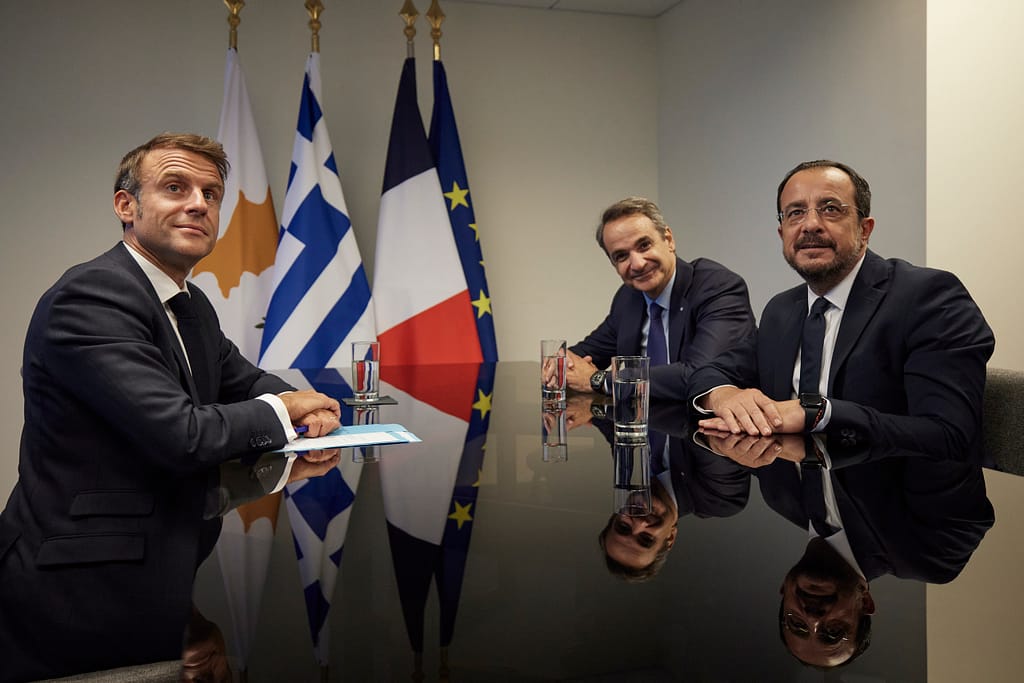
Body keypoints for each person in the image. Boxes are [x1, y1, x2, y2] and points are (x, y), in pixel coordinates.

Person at [0, 133, 341, 682]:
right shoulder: (93, 295)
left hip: (162, 561)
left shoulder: (189, 302)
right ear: (126, 206)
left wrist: (298, 408)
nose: (199, 204)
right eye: (176, 188)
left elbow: (246, 381)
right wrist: (287, 410)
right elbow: (182, 435)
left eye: (211, 193)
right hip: (79, 589)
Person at [692, 160, 994, 462]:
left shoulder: (929, 297)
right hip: (790, 480)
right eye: (796, 213)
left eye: (830, 209)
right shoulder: (781, 310)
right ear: (782, 233)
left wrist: (819, 414)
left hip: (897, 487)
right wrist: (723, 396)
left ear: (865, 229)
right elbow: (709, 372)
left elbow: (950, 435)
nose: (810, 225)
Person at [565, 197, 756, 400]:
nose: (637, 264)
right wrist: (558, 362)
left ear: (669, 240)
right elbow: (584, 353)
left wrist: (600, 380)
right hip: (644, 417)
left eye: (644, 245)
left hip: (711, 417)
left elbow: (700, 375)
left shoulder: (717, 287)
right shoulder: (628, 298)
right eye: (622, 256)